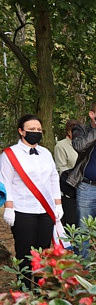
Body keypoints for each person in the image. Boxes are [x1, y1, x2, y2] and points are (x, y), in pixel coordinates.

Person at [0, 114, 63, 282]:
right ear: (21, 131)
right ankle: (26, 289)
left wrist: (58, 204)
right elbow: (5, 183)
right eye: (31, 129)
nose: (36, 132)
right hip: (22, 210)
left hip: (45, 210)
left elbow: (53, 178)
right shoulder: (9, 154)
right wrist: (9, 207)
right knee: (25, 252)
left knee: (43, 251)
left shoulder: (45, 153)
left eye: (39, 129)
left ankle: (41, 288)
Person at [53, 119, 80, 227]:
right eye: (76, 131)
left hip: (85, 190)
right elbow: (62, 169)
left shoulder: (83, 144)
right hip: (69, 190)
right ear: (69, 132)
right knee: (71, 223)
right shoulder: (61, 146)